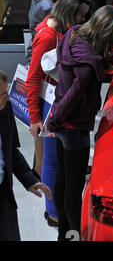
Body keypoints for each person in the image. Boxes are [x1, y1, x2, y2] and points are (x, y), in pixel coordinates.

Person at [46, 5, 113, 241]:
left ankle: (65, 236)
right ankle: (76, 237)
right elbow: (76, 93)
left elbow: (86, 61)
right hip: (74, 127)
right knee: (74, 192)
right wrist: (55, 121)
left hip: (61, 118)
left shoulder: (73, 33)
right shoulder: (90, 62)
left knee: (63, 183)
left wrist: (112, 57)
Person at [25, 0, 91, 228]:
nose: (83, 20)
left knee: (55, 160)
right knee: (52, 161)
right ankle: (53, 213)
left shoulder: (55, 30)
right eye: (81, 15)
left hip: (54, 103)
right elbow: (33, 79)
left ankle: (55, 210)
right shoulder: (48, 37)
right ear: (70, 13)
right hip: (48, 106)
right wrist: (35, 117)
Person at [0, 70, 52, 241]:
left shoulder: (5, 109)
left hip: (3, 195)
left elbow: (11, 151)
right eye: (2, 94)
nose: (8, 98)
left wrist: (30, 180)